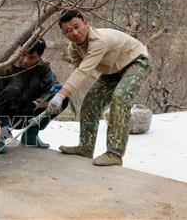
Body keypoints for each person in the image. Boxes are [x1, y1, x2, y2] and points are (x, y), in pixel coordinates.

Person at [47, 10, 152, 166]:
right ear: (64, 34)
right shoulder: (73, 49)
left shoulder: (99, 41)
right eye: (68, 31)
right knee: (90, 102)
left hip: (137, 62)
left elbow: (84, 70)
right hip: (113, 70)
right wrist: (63, 93)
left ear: (85, 23)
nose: (75, 33)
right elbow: (78, 71)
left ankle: (115, 154)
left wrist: (61, 94)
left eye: (77, 26)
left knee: (120, 97)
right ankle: (85, 147)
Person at [0, 38, 66, 153]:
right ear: (20, 50)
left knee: (62, 98)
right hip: (5, 116)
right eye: (23, 55)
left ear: (40, 57)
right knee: (12, 91)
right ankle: (2, 136)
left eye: (31, 58)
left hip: (30, 115)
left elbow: (52, 90)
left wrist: (36, 103)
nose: (25, 60)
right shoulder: (7, 66)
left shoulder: (43, 68)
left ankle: (31, 135)